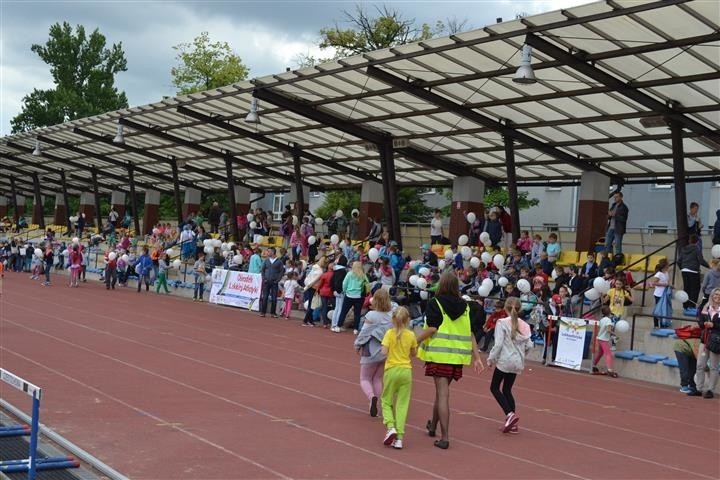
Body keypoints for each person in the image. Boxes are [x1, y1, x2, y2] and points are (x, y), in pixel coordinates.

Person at [417, 273, 483, 449]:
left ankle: (445, 437)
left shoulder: (435, 303)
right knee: (441, 393)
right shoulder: (466, 307)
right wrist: (476, 357)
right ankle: (433, 426)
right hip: (456, 358)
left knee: (443, 395)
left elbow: (431, 328)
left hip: (439, 355)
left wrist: (414, 341)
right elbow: (470, 334)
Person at [486, 296, 533, 434]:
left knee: (494, 387)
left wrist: (490, 359)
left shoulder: (502, 323)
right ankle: (512, 423)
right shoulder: (524, 325)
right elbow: (529, 345)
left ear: (505, 308)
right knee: (507, 389)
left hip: (505, 360)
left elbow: (498, 344)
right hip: (517, 361)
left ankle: (509, 414)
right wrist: (522, 354)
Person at [380, 307, 417, 450]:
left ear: (393, 320)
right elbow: (414, 353)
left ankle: (390, 426)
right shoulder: (411, 335)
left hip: (391, 369)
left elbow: (383, 352)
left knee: (386, 400)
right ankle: (400, 438)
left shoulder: (389, 333)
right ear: (407, 320)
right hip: (406, 371)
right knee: (402, 404)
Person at [353, 289, 393, 418]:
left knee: (364, 378)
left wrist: (357, 344)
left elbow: (364, 332)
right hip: (385, 350)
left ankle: (371, 397)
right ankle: (376, 402)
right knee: (378, 378)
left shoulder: (371, 315)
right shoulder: (392, 315)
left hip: (370, 349)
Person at [694, 288, 720, 399]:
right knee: (700, 365)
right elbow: (699, 322)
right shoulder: (706, 307)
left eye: (719, 295)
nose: (717, 296)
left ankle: (710, 390)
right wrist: (703, 323)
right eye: (716, 294)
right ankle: (699, 389)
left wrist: (714, 325)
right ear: (712, 295)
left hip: (716, 341)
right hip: (704, 339)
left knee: (714, 366)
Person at [678, 234, 709, 316]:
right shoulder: (696, 249)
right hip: (693, 271)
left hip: (684, 270)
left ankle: (685, 306)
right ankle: (691, 306)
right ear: (697, 242)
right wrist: (710, 266)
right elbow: (701, 260)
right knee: (695, 288)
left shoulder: (683, 249)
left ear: (689, 241)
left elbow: (679, 260)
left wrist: (682, 268)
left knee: (687, 288)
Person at [337, 261, 370, 334]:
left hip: (349, 295)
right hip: (359, 296)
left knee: (344, 311)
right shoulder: (363, 275)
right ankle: (355, 329)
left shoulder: (349, 274)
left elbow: (344, 283)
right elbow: (368, 284)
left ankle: (338, 326)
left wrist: (345, 290)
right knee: (357, 313)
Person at [592, 306, 618, 377]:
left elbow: (599, 328)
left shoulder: (602, 319)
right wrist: (614, 334)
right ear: (609, 313)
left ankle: (593, 364)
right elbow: (608, 330)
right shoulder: (608, 321)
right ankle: (609, 369)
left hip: (599, 338)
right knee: (608, 354)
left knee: (600, 353)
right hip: (604, 340)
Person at [259, 247, 284, 318]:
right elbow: (262, 270)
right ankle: (263, 312)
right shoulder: (266, 260)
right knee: (265, 297)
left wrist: (277, 280)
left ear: (273, 252)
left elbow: (281, 272)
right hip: (266, 281)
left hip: (274, 282)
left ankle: (273, 313)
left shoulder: (279, 261)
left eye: (269, 251)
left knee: (274, 298)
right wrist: (264, 279)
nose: (267, 253)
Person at [605, 191, 629, 255]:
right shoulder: (613, 205)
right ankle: (607, 259)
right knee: (607, 244)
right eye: (614, 197)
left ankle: (618, 259)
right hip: (610, 227)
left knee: (617, 245)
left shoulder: (624, 207)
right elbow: (609, 215)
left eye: (617, 197)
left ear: (621, 197)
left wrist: (614, 215)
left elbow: (624, 219)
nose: (615, 198)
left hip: (618, 229)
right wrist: (609, 215)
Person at [650, 259, 670, 328]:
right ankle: (656, 325)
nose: (668, 265)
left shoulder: (666, 273)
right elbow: (654, 283)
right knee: (658, 309)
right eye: (667, 264)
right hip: (659, 294)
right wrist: (664, 284)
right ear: (665, 265)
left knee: (663, 309)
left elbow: (667, 282)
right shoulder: (659, 274)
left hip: (664, 294)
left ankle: (662, 324)